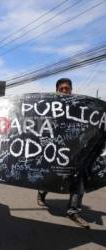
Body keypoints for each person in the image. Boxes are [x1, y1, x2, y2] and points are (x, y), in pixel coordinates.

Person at [37, 78, 90, 228]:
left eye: (67, 88)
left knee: (78, 180)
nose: (65, 91)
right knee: (51, 176)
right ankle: (41, 193)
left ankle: (73, 212)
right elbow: (41, 125)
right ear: (57, 90)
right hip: (55, 150)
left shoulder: (78, 107)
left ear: (71, 90)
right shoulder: (48, 107)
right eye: (62, 89)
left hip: (75, 151)